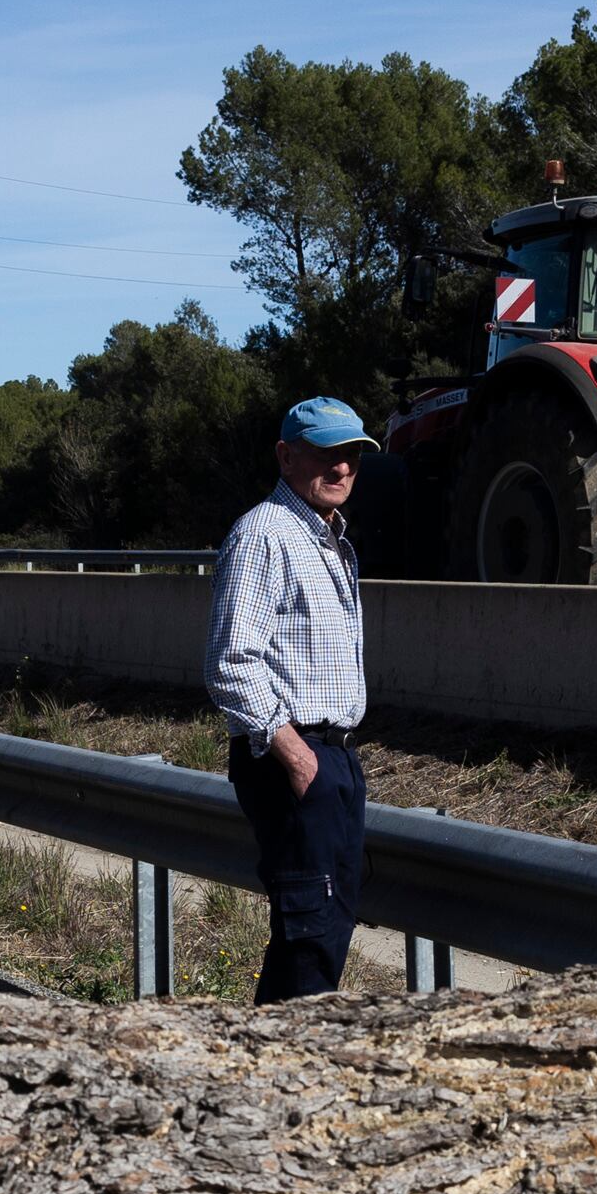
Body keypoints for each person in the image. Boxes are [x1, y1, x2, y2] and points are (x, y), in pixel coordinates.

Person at [210, 398, 373, 1002]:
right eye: (326, 454)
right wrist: (299, 759)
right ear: (285, 455)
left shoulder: (329, 539)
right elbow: (231, 662)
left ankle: (267, 1064)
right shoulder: (265, 535)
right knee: (310, 935)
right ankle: (289, 1069)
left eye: (352, 455)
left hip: (331, 757)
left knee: (323, 932)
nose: (341, 468)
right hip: (292, 758)